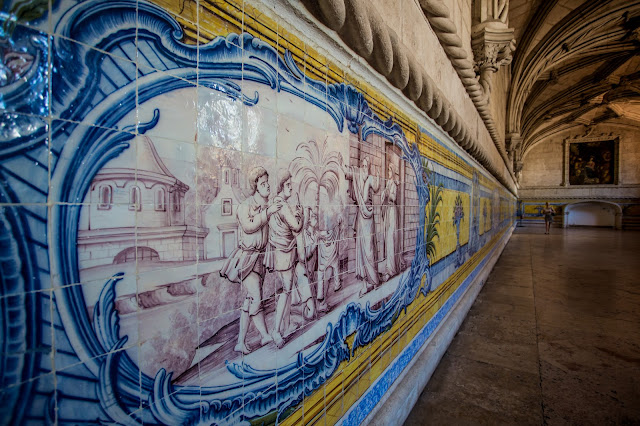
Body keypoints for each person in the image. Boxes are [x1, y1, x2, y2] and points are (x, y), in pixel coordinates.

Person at [220, 166, 282, 354]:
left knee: (250, 300)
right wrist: (268, 213)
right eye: (263, 184)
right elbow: (249, 227)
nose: (267, 187)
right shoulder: (245, 206)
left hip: (260, 258)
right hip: (247, 257)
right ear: (256, 187)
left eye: (267, 183)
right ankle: (264, 335)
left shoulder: (267, 205)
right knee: (256, 296)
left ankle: (240, 342)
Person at [264, 169, 304, 348]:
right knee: (285, 292)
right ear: (281, 187)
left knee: (285, 290)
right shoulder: (284, 206)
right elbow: (296, 227)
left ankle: (286, 326)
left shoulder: (273, 203)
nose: (291, 188)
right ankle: (276, 330)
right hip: (285, 254)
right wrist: (300, 215)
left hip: (278, 253)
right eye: (288, 185)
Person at [343, 156, 380, 297]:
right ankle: (365, 284)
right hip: (361, 217)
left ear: (368, 167)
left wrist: (377, 176)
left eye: (366, 165)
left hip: (368, 216)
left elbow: (376, 188)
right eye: (362, 165)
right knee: (361, 252)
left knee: (369, 249)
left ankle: (374, 280)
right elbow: (349, 173)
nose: (364, 168)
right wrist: (343, 166)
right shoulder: (358, 176)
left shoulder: (369, 178)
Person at [380, 163, 402, 281]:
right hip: (388, 211)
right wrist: (384, 194)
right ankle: (389, 268)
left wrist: (388, 194)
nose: (388, 172)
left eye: (389, 170)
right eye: (387, 169)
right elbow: (384, 196)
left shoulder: (393, 184)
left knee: (390, 239)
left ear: (393, 172)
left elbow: (394, 198)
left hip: (392, 212)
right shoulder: (388, 183)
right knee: (388, 240)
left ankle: (391, 270)